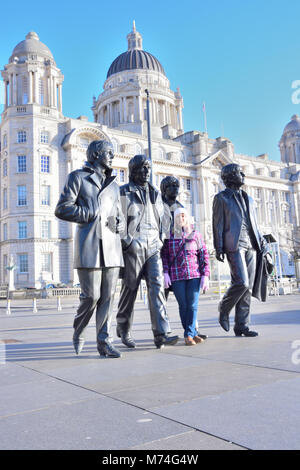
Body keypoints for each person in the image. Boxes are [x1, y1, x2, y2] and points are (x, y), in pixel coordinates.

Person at [55, 140, 124, 358]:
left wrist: (120, 223)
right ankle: (79, 328)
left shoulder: (114, 185)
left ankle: (104, 342)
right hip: (90, 246)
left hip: (112, 248)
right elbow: (62, 208)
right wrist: (87, 213)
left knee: (108, 297)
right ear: (95, 154)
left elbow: (119, 214)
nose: (112, 156)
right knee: (91, 296)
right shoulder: (78, 177)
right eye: (108, 152)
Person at [116, 154, 179, 349]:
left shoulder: (155, 194)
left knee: (158, 287)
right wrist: (128, 242)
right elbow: (113, 222)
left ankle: (161, 333)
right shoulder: (124, 192)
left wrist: (160, 239)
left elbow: (165, 219)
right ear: (133, 170)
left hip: (153, 247)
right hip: (134, 247)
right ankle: (123, 327)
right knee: (130, 290)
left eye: (148, 168)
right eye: (142, 168)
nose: (146, 172)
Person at [212, 163, 266, 336]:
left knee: (248, 287)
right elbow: (218, 223)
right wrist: (218, 246)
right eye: (238, 172)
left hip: (251, 244)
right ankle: (224, 307)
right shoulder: (221, 198)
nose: (242, 174)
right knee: (241, 282)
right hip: (234, 244)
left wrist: (261, 240)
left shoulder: (248, 198)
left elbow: (254, 224)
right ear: (229, 176)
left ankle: (242, 325)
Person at [161, 207, 210, 345]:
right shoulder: (170, 236)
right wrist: (165, 273)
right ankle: (192, 333)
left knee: (193, 305)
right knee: (183, 305)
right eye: (178, 217)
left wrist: (205, 275)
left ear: (187, 217)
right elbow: (165, 256)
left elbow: (204, 255)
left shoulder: (196, 235)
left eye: (183, 216)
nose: (181, 219)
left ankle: (188, 334)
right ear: (174, 219)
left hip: (194, 275)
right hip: (177, 276)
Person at [160, 176, 184, 300]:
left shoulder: (181, 208)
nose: (175, 189)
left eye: (177, 186)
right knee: (160, 288)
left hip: (174, 250)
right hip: (160, 247)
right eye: (172, 186)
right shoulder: (158, 204)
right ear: (164, 189)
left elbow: (183, 230)